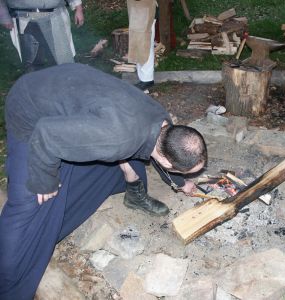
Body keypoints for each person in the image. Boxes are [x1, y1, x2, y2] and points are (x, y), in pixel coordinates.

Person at [0, 63, 207, 299]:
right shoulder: (116, 139)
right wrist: (44, 180)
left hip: (71, 89)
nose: (189, 175)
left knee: (105, 157)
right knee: (28, 204)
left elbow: (162, 154)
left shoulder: (163, 124)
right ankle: (7, 283)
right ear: (169, 161)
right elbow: (45, 134)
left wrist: (181, 184)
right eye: (188, 172)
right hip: (30, 110)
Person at [0, 0, 84, 72]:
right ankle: (35, 87)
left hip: (55, 16)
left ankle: (66, 85)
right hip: (23, 18)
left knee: (62, 59)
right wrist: (4, 15)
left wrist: (78, 8)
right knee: (32, 62)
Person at [127, 0, 157, 91]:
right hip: (136, 8)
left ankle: (147, 79)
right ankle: (143, 79)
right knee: (138, 43)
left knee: (145, 44)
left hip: (145, 7)